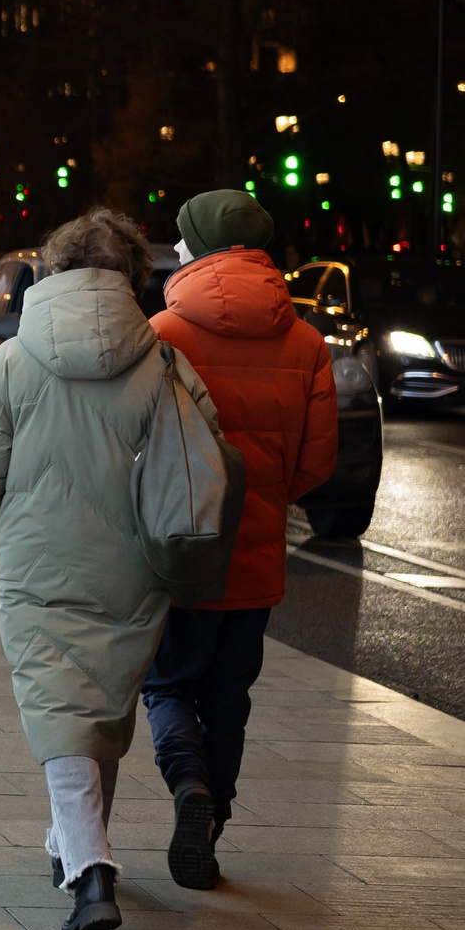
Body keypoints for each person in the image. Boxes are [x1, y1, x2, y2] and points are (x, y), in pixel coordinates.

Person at [0, 207, 225, 930]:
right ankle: (68, 841)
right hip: (135, 564)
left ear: (55, 268)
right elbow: (208, 457)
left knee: (58, 710)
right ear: (135, 276)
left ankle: (91, 872)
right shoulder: (163, 361)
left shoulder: (11, 360)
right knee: (100, 705)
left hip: (38, 557)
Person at [144, 190, 336, 890]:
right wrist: (267, 492)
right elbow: (316, 463)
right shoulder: (307, 341)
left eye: (183, 238)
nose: (177, 249)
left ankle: (187, 781)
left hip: (184, 547)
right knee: (229, 693)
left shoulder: (166, 331)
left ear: (204, 247)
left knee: (166, 680)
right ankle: (213, 817)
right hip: (255, 556)